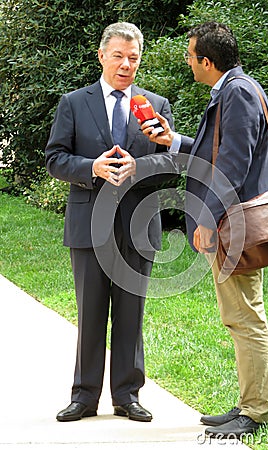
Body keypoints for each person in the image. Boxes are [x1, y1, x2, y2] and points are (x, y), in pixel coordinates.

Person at [141, 21, 268, 438]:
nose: (187, 61)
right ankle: (249, 403)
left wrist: (206, 218)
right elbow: (215, 149)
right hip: (229, 221)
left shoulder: (236, 93)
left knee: (244, 317)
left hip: (229, 224)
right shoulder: (237, 87)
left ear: (207, 61)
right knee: (239, 314)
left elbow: (233, 164)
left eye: (190, 55)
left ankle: (256, 412)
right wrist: (174, 140)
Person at [45, 22, 177, 423]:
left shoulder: (155, 106)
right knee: (89, 312)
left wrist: (140, 166)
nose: (126, 64)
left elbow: (171, 162)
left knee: (130, 313)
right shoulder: (73, 103)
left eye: (133, 58)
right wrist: (93, 167)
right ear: (101, 56)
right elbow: (55, 158)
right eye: (118, 56)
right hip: (89, 224)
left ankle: (127, 395)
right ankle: (84, 397)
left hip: (138, 225)